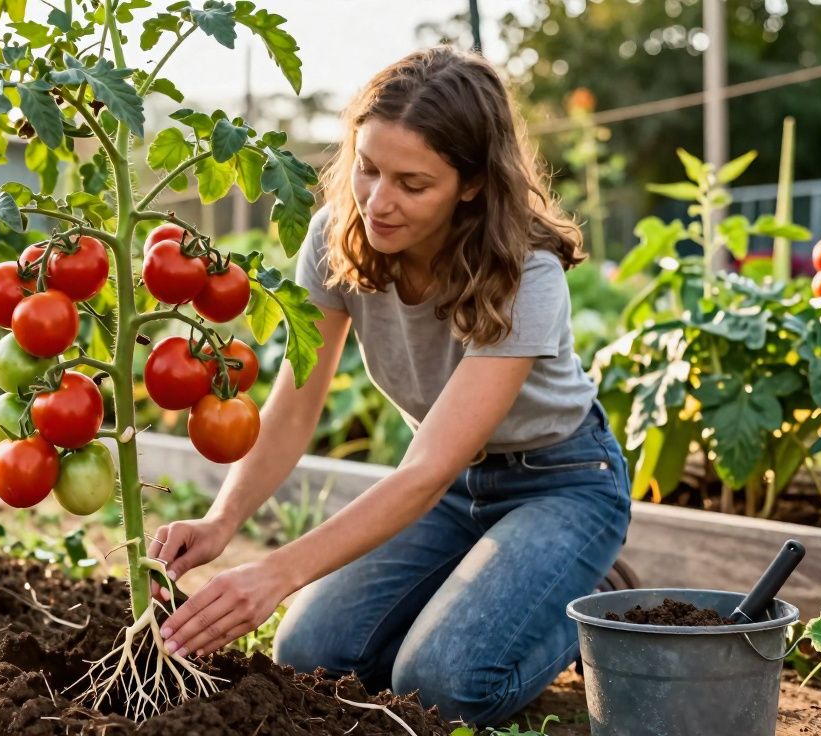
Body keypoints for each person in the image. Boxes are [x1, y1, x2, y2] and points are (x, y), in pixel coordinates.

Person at [148, 46, 632, 727]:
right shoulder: (335, 238)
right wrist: (224, 520)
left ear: (469, 184)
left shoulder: (526, 270)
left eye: (412, 183)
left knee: (442, 683)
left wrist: (280, 572)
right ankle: (489, 586)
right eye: (368, 169)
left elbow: (426, 469)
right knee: (310, 650)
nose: (378, 201)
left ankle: (586, 596)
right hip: (451, 496)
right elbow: (296, 402)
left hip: (561, 483)